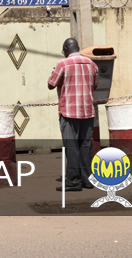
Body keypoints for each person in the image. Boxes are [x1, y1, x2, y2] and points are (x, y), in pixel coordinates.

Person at [48, 37, 99, 192]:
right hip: (88, 112)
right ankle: (88, 180)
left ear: (65, 49)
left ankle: (73, 182)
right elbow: (95, 85)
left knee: (71, 147)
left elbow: (51, 84)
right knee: (85, 146)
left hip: (69, 112)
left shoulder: (63, 64)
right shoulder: (92, 64)